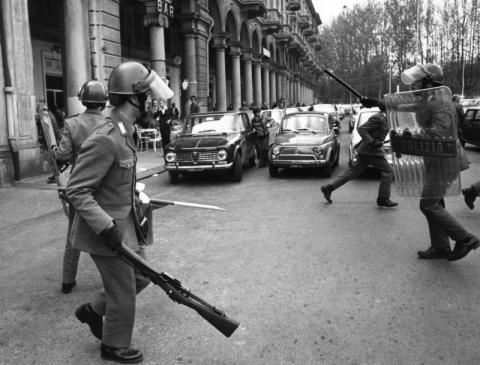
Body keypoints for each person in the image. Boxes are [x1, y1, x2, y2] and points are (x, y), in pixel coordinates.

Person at [66, 61, 173, 363]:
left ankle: (92, 310)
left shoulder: (126, 128)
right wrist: (106, 227)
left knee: (143, 276)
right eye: (146, 95)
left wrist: (138, 199)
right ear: (132, 97)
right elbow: (77, 190)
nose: (151, 100)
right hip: (104, 231)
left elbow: (116, 181)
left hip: (124, 222)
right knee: (124, 289)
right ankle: (112, 346)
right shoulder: (106, 136)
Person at [398, 63, 479, 261]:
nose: (412, 88)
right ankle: (440, 246)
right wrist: (375, 102)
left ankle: (466, 239)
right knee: (436, 202)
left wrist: (412, 137)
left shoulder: (440, 100)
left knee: (428, 204)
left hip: (445, 159)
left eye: (415, 84)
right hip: (435, 159)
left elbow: (440, 132)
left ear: (427, 82)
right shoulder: (427, 99)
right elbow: (402, 105)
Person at [52, 80, 108, 294]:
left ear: (83, 100)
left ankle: (68, 281)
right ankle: (110, 280)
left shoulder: (71, 123)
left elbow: (63, 155)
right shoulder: (109, 124)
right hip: (104, 186)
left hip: (79, 186)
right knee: (105, 230)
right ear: (103, 103)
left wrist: (54, 150)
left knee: (73, 234)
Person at [320, 101, 398, 208]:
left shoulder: (386, 118)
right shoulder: (378, 118)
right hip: (371, 151)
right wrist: (371, 141)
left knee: (353, 172)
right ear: (387, 109)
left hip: (366, 151)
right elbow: (361, 128)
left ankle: (329, 188)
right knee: (388, 171)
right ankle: (383, 198)